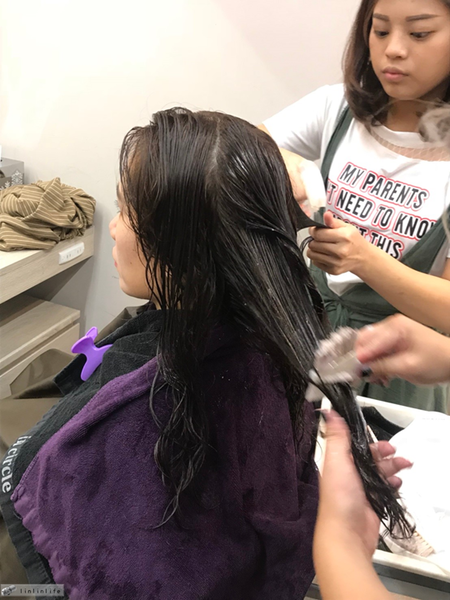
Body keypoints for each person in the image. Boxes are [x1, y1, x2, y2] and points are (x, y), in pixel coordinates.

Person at [0, 109, 406, 600]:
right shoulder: (272, 342)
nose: (113, 228)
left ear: (181, 251)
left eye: (125, 211)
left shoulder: (165, 402)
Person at [261, 0, 450, 412]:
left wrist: (365, 260)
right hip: (308, 339)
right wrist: (279, 161)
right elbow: (236, 145)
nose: (393, 49)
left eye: (419, 33)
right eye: (380, 31)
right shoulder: (338, 109)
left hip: (397, 371)